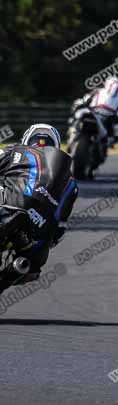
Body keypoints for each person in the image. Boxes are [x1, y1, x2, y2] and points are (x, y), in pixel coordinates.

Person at [0, 124, 78, 294]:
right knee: (30, 267)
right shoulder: (70, 181)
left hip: (10, 205)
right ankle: (17, 268)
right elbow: (62, 226)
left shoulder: (14, 151)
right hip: (39, 230)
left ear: (27, 139)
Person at [69, 76, 118, 175]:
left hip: (103, 121)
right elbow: (81, 102)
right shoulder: (98, 93)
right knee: (77, 119)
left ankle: (74, 140)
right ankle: (73, 139)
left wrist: (115, 136)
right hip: (91, 115)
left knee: (107, 139)